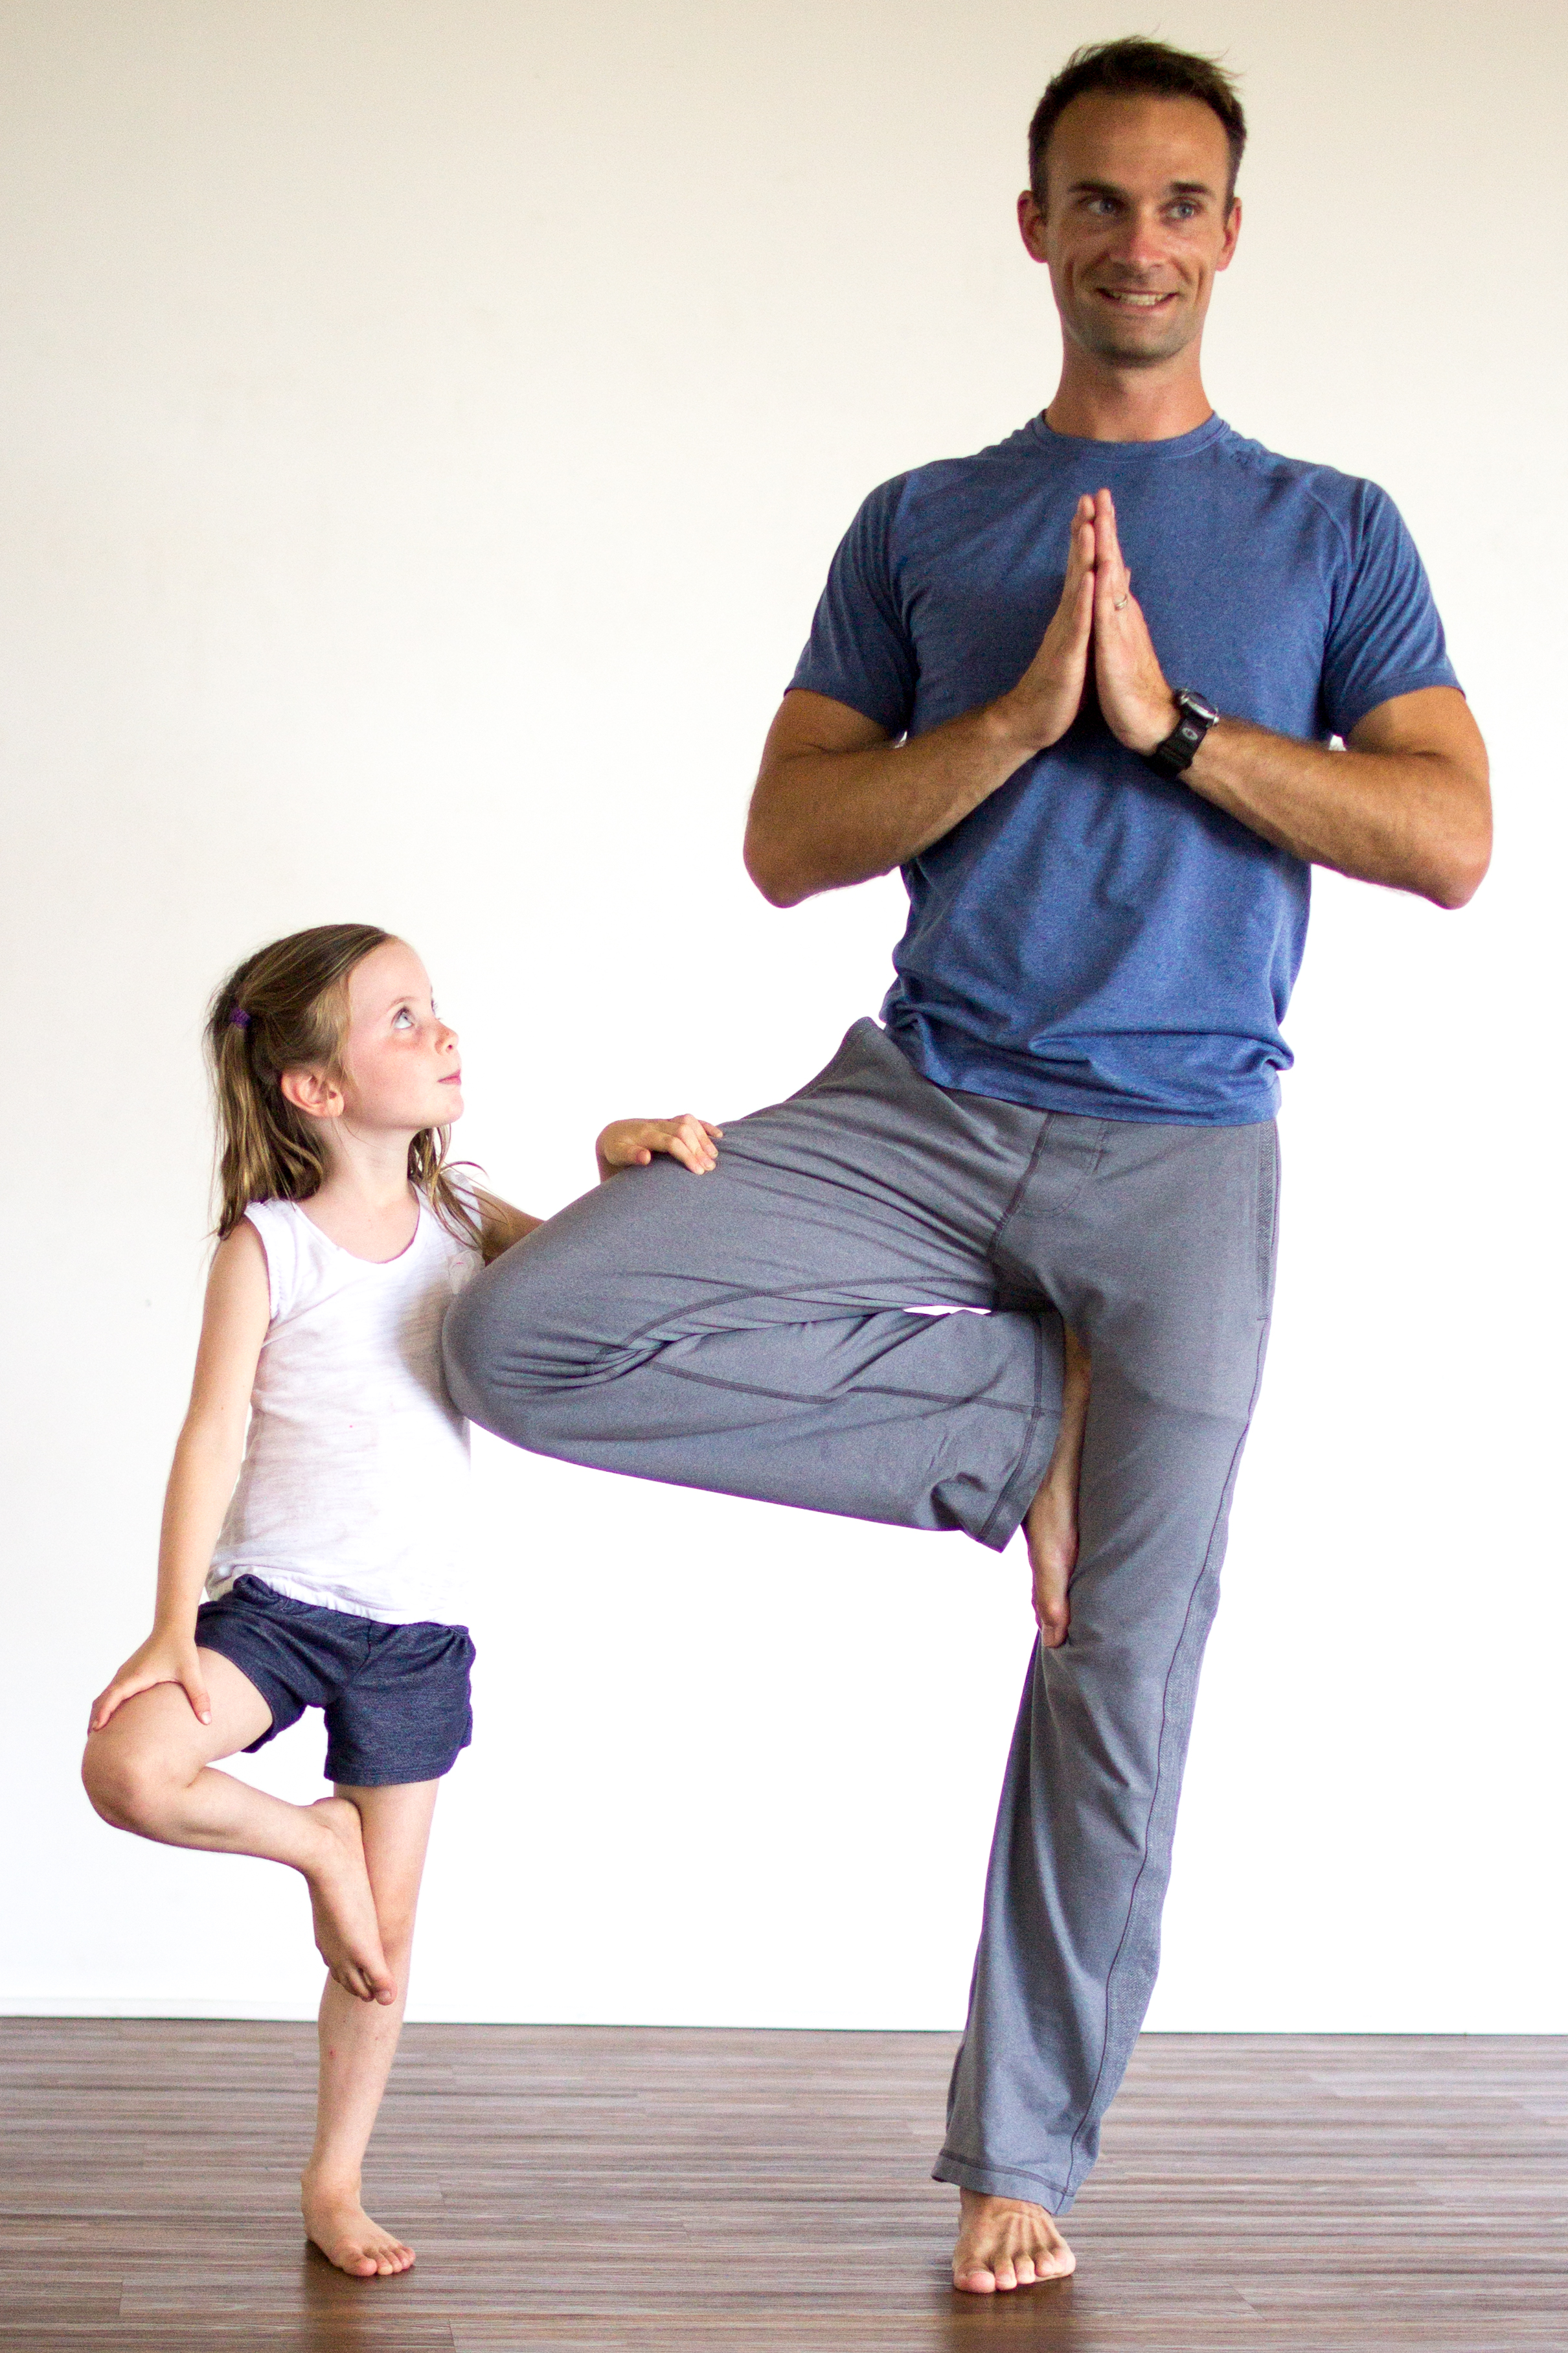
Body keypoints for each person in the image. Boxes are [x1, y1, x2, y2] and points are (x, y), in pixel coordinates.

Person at [442, 36, 1491, 2295]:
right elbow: (786, 839)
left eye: (1181, 202)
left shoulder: (1333, 532)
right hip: (919, 1104)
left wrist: (1179, 730)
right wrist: (1014, 718)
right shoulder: (925, 523)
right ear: (1033, 229)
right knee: (525, 1328)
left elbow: (1454, 840)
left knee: (1124, 1663)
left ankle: (1022, 2149)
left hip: (1183, 1150)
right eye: (1097, 202)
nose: (1139, 240)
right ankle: (1021, 1427)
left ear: (1230, 232)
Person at [82, 921, 719, 2280]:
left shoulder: (462, 1215)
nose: (441, 1033)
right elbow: (208, 1433)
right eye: (402, 1018)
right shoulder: (270, 1246)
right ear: (314, 1087)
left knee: (386, 1947)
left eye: (436, 1009)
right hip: (278, 1605)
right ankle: (313, 1844)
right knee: (132, 1768)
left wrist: (615, 1156)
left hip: (416, 1627)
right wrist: (168, 1625)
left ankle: (335, 2177)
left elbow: (587, 1282)